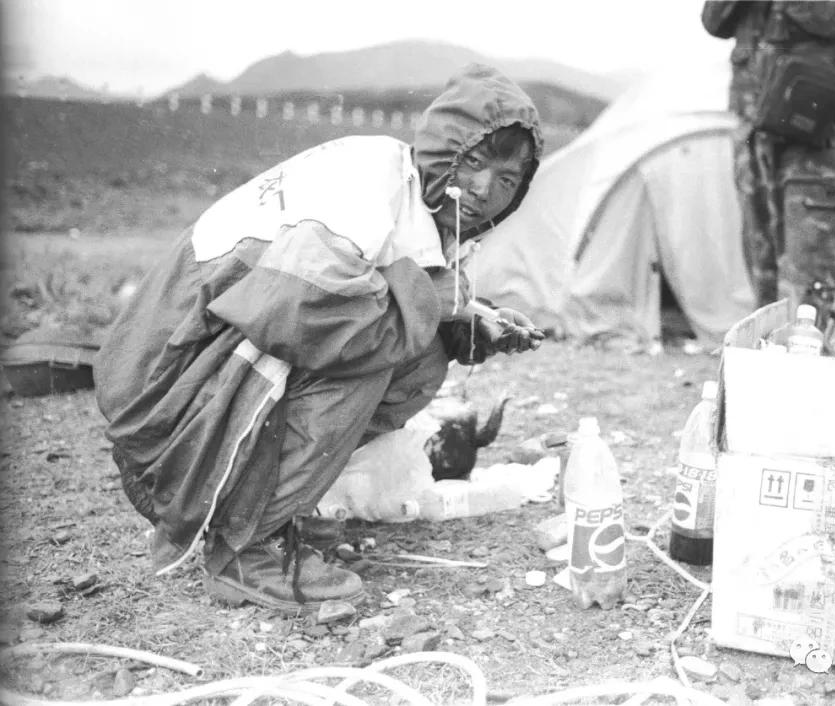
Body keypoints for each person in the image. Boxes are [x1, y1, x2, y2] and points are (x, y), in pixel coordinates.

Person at [94, 64, 545, 612]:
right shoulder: (367, 186)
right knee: (370, 351)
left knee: (418, 351)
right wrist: (439, 303)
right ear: (443, 148)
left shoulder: (427, 207)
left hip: (203, 367)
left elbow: (399, 295)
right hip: (163, 392)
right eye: (474, 161)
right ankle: (244, 547)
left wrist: (470, 319)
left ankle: (273, 509)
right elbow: (302, 317)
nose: (483, 189)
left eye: (507, 179)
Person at [702, 1, 835, 312]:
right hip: (752, 127)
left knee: (810, 261)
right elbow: (713, 21)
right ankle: (763, 348)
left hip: (808, 132)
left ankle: (808, 350)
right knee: (760, 254)